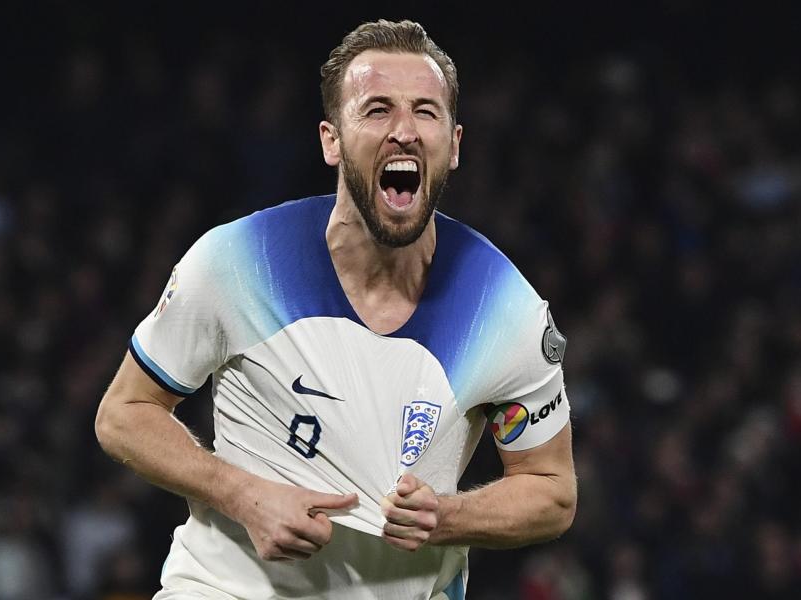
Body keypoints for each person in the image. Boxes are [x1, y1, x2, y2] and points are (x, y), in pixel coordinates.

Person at [95, 19, 576, 600]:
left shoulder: (506, 309)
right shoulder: (235, 262)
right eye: (377, 110)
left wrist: (445, 519)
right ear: (331, 139)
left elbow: (551, 490)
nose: (404, 131)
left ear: (453, 145)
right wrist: (242, 494)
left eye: (426, 112)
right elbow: (124, 413)